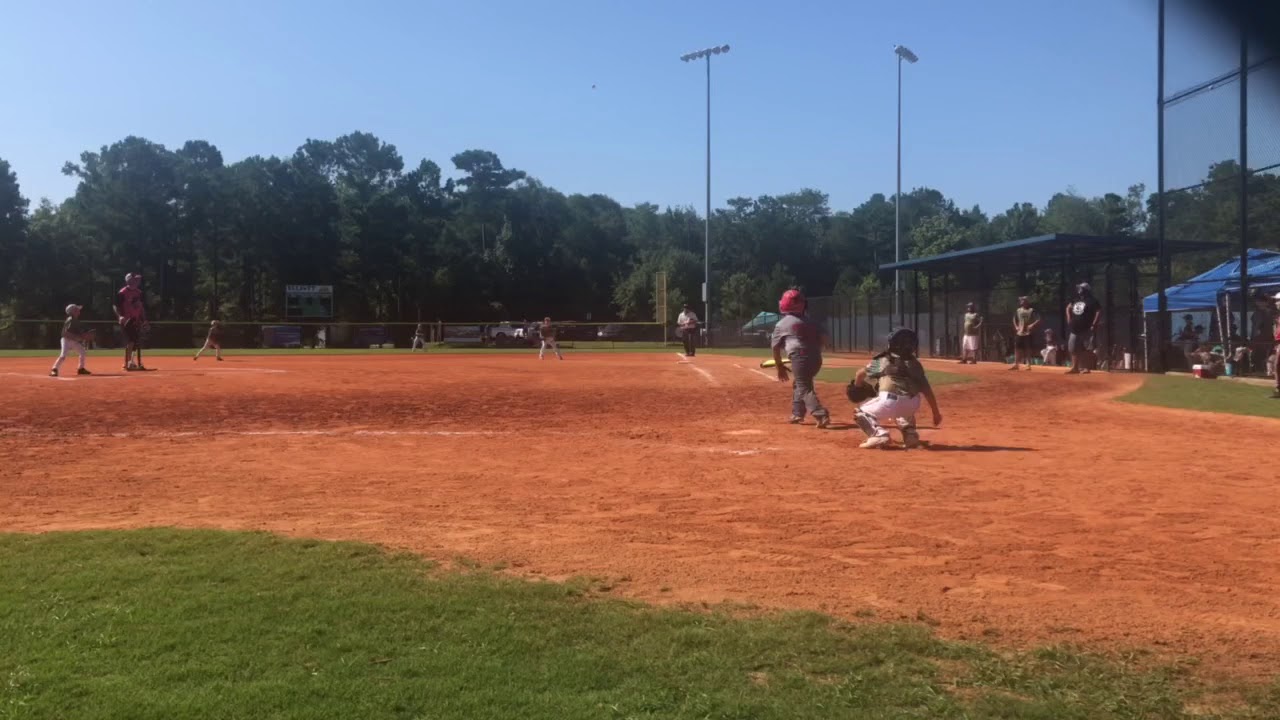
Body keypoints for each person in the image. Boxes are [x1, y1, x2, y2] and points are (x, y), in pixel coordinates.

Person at [850, 328, 943, 450]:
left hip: (890, 401)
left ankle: (878, 434)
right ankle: (911, 436)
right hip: (913, 403)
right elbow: (927, 390)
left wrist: (857, 385)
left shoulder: (883, 360)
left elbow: (860, 374)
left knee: (860, 413)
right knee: (903, 409)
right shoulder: (916, 364)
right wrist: (936, 413)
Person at [772, 289, 830, 428]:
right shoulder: (812, 321)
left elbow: (775, 348)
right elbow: (825, 339)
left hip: (799, 357)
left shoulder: (782, 324)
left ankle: (819, 413)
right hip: (816, 358)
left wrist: (779, 366)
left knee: (803, 386)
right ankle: (797, 413)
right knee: (800, 383)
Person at [113, 272, 149, 371]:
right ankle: (128, 362)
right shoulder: (122, 292)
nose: (138, 281)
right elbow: (115, 306)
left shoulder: (139, 292)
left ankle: (130, 362)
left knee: (136, 341)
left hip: (136, 320)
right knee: (131, 341)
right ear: (129, 280)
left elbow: (141, 307)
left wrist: (144, 319)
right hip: (126, 320)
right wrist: (120, 316)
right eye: (135, 279)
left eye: (138, 280)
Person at [1065, 282, 1102, 375]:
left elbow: (1098, 311)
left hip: (1086, 328)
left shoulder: (1092, 300)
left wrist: (1094, 324)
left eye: (1081, 288)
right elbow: (1068, 307)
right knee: (1072, 348)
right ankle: (1075, 368)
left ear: (1086, 290)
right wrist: (1069, 318)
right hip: (1074, 328)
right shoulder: (1075, 299)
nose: (1079, 290)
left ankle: (1086, 368)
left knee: (1086, 349)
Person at [50, 303, 93, 377]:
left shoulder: (75, 320)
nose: (79, 311)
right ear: (73, 312)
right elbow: (65, 333)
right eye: (77, 309)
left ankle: (81, 369)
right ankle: (54, 369)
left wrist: (82, 336)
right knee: (63, 356)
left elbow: (78, 333)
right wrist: (79, 337)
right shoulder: (71, 320)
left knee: (82, 352)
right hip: (66, 340)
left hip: (73, 341)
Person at [1011, 296, 1040, 371]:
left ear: (1026, 302)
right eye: (1021, 300)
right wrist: (1016, 326)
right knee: (1017, 348)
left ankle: (1028, 365)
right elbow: (1014, 318)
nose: (1021, 301)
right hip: (1019, 332)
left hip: (1028, 333)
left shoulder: (1031, 310)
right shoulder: (1018, 310)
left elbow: (1038, 319)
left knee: (1028, 348)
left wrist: (1032, 325)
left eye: (1023, 300)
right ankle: (1016, 364)